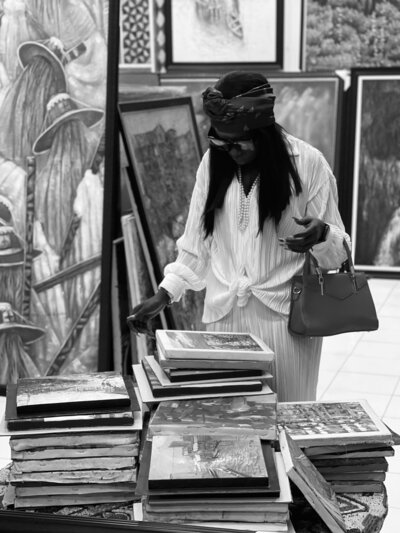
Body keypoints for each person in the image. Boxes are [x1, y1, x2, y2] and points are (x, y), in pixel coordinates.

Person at [128, 71, 350, 402]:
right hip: (223, 320)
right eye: (221, 142)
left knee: (284, 416)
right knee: (227, 420)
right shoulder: (212, 163)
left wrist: (323, 235)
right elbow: (196, 243)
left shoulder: (308, 164)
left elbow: (340, 253)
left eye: (238, 142)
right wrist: (164, 294)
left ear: (263, 131)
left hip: (285, 324)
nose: (230, 151)